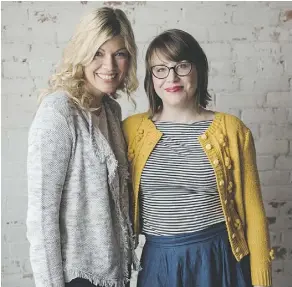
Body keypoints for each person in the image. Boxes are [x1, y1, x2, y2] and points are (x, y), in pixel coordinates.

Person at [122, 29, 274, 287]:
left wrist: (262, 281)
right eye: (160, 68)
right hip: (159, 261)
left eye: (181, 66)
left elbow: (255, 213)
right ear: (151, 77)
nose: (171, 77)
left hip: (218, 259)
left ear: (198, 69)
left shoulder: (231, 130)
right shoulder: (130, 130)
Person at [26, 7, 139, 287]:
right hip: (76, 278)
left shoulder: (111, 111)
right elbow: (42, 217)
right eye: (98, 53)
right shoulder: (59, 113)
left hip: (114, 276)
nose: (109, 66)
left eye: (119, 54)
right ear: (81, 53)